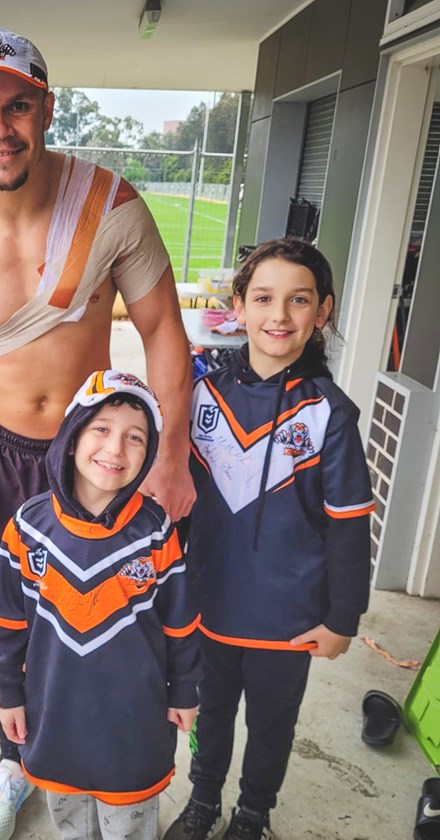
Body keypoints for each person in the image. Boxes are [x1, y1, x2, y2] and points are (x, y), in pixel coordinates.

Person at [0, 26, 194, 840]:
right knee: (7, 622)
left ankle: (107, 749)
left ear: (46, 108)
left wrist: (173, 457)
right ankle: (15, 762)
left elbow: (163, 330)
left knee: (117, 615)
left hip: (96, 459)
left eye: (17, 105)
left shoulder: (110, 205)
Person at [163, 238, 374, 840]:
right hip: (208, 607)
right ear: (239, 307)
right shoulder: (203, 396)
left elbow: (349, 526)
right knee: (209, 714)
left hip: (289, 619)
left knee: (273, 724)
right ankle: (203, 802)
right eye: (263, 298)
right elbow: (174, 509)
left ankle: (253, 812)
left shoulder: (330, 414)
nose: (279, 315)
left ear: (323, 312)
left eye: (298, 300)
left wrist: (343, 619)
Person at [0, 369, 201, 840]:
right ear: (71, 435)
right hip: (53, 713)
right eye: (101, 429)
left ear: (149, 455)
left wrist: (184, 690)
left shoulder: (157, 531)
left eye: (135, 437)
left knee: (127, 827)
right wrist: (9, 696)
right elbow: (5, 623)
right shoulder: (27, 527)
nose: (115, 448)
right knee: (70, 825)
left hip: (134, 721)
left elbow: (181, 622)